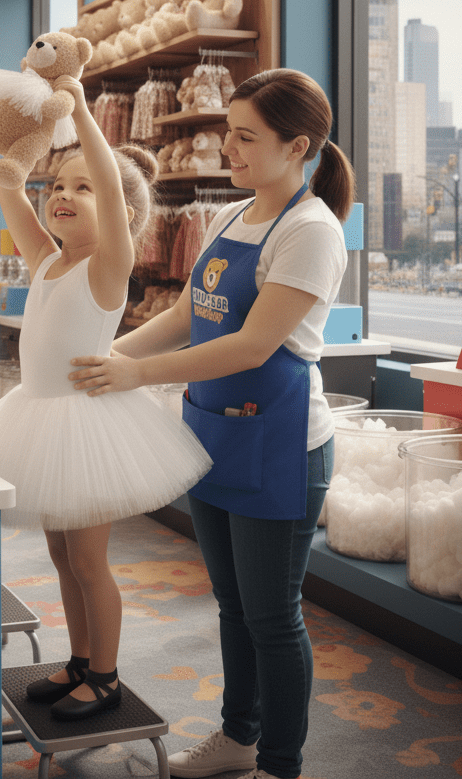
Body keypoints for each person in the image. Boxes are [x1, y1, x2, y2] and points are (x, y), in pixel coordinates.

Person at [68, 68, 354, 779]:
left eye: (246, 137)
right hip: (214, 433)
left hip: (280, 444)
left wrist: (134, 376)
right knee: (231, 606)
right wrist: (110, 354)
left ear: (298, 146)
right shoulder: (230, 216)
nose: (229, 147)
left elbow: (254, 344)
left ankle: (279, 764)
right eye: (228, 132)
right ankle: (238, 736)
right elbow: (188, 315)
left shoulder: (311, 230)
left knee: (273, 617)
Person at [0, 73, 211, 721]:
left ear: (123, 217)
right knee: (60, 553)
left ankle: (106, 675)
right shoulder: (46, 258)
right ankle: (77, 659)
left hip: (87, 426)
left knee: (91, 560)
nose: (63, 195)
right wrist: (14, 158)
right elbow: (10, 188)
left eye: (83, 187)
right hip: (37, 418)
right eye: (59, 186)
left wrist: (80, 116)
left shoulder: (107, 266)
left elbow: (105, 167)